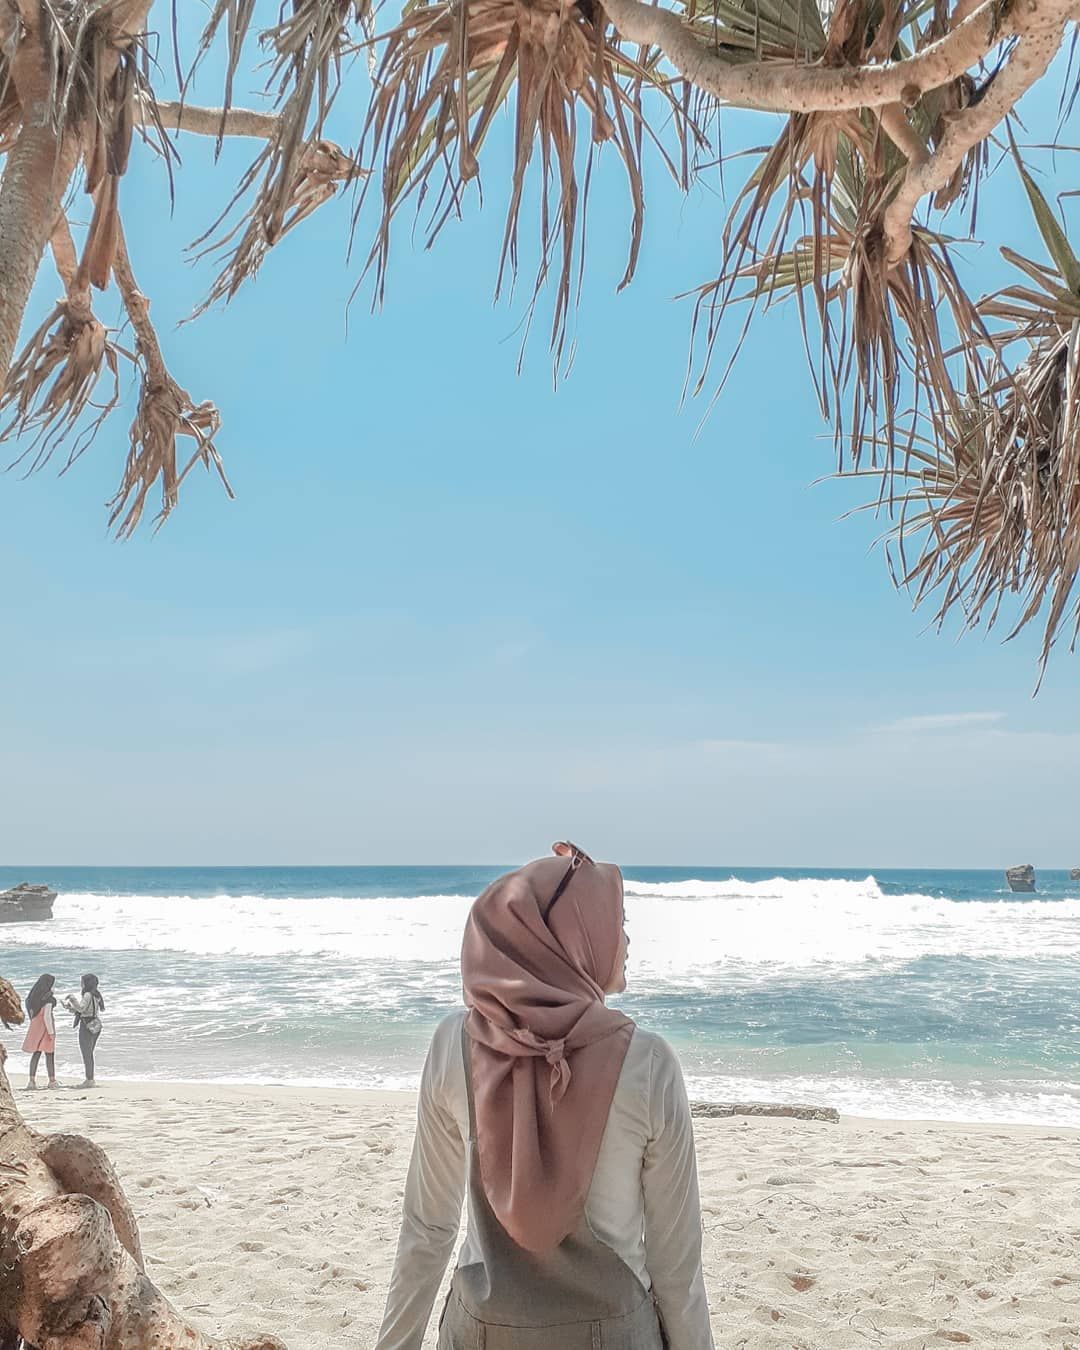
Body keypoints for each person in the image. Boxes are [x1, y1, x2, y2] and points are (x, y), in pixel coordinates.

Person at [374, 842, 714, 1350]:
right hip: (614, 1331)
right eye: (614, 920)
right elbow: (676, 1261)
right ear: (572, 935)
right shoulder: (648, 1063)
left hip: (482, 1331)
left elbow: (429, 1227)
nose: (625, 938)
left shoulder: (454, 1043)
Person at [63, 974, 105, 1088]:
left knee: (86, 1053)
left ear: (86, 983)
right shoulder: (96, 995)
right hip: (95, 1025)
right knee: (89, 1053)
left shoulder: (87, 995)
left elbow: (81, 1009)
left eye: (82, 982)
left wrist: (72, 998)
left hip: (86, 1026)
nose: (81, 984)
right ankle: (90, 1078)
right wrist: (70, 1007)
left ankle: (89, 1079)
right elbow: (86, 1010)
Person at [22, 973, 59, 1089]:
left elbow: (33, 1014)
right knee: (49, 1054)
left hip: (35, 1027)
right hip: (45, 1029)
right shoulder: (48, 999)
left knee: (36, 1054)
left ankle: (31, 1081)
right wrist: (51, 1033)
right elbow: (47, 1017)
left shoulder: (32, 998)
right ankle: (52, 1081)